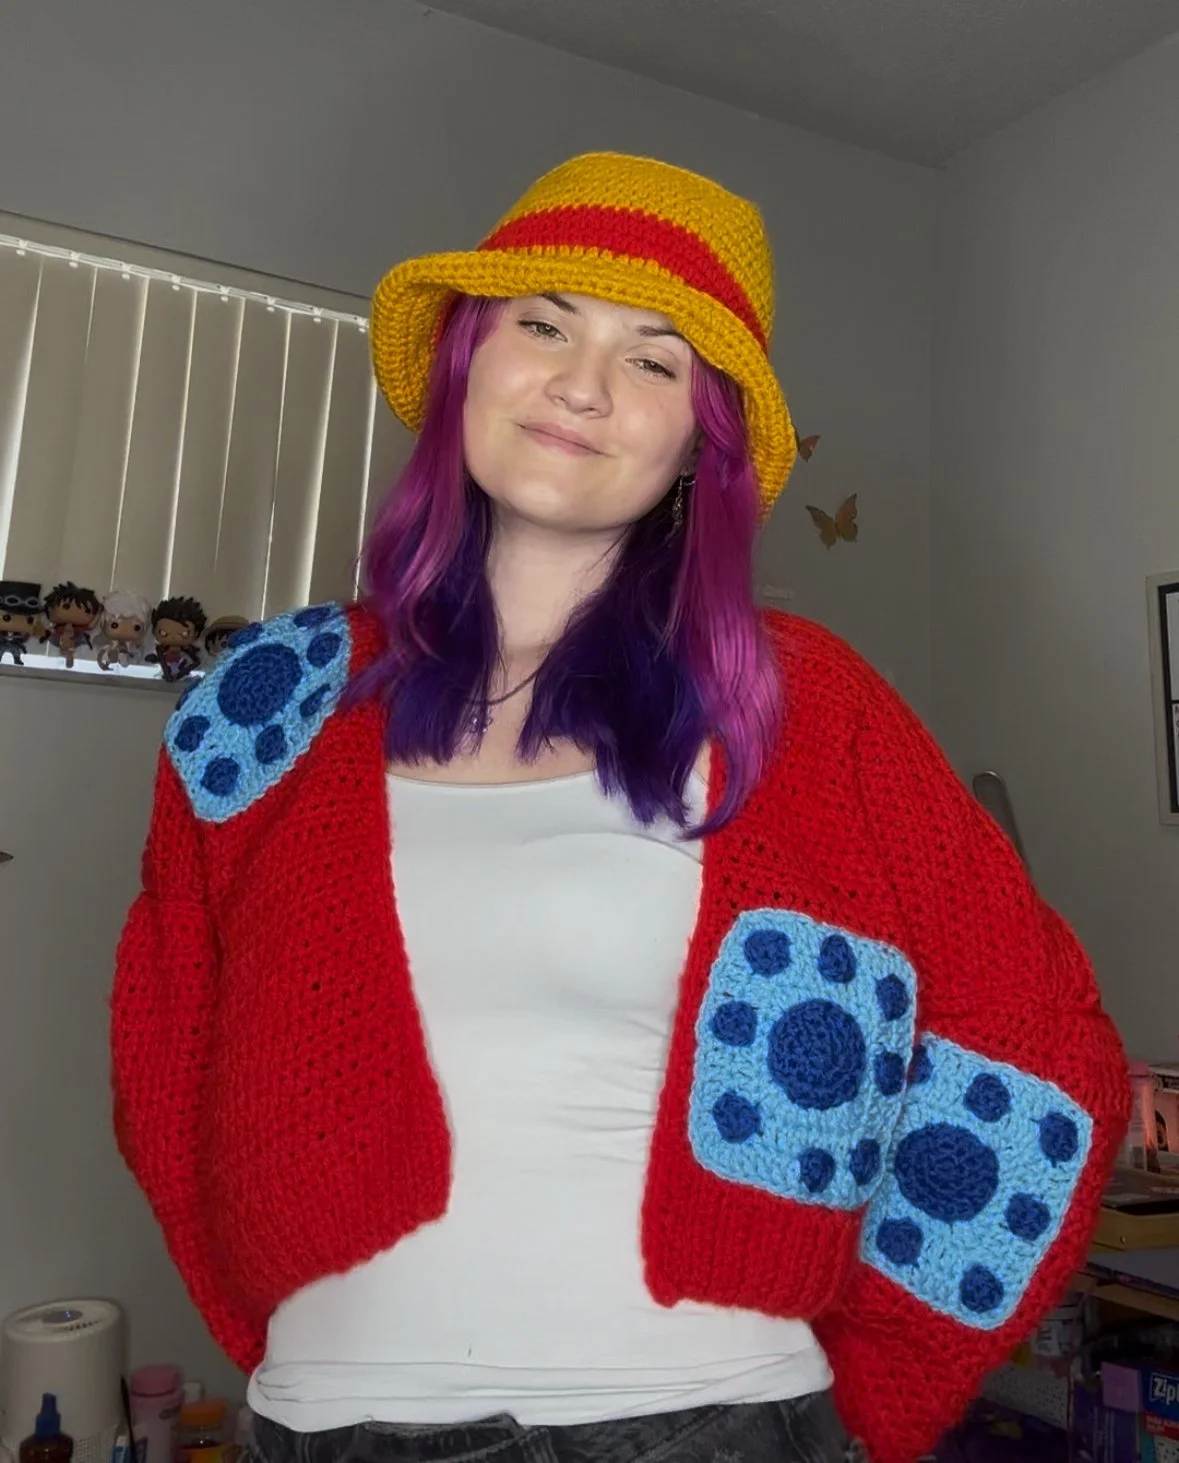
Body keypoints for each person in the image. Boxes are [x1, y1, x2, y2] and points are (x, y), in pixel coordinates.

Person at [111, 153, 1128, 1463]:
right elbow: (165, 1058)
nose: (585, 383)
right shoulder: (266, 702)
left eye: (656, 359)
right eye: (542, 322)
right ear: (466, 359)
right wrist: (301, 1340)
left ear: (697, 440)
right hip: (331, 1425)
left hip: (703, 1421)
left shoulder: (800, 703)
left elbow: (1036, 1050)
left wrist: (873, 1376)